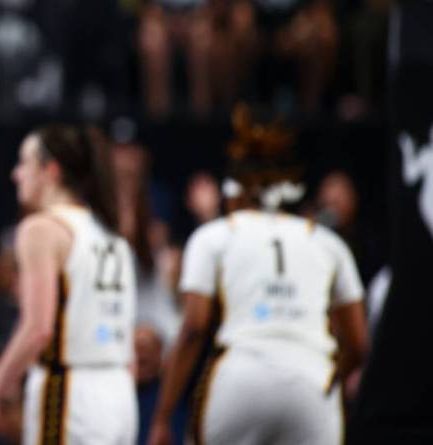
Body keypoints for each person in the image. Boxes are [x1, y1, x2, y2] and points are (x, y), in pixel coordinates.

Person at [147, 108, 369, 445]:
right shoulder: (328, 242)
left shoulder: (215, 235)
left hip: (239, 378)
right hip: (312, 378)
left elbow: (193, 328)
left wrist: (163, 415)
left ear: (234, 192)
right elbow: (357, 343)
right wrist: (327, 378)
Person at [0, 125, 138, 445]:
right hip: (120, 393)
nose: (16, 174)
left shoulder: (41, 228)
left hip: (71, 393)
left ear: (50, 171)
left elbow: (38, 329)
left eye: (24, 163)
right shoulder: (111, 232)